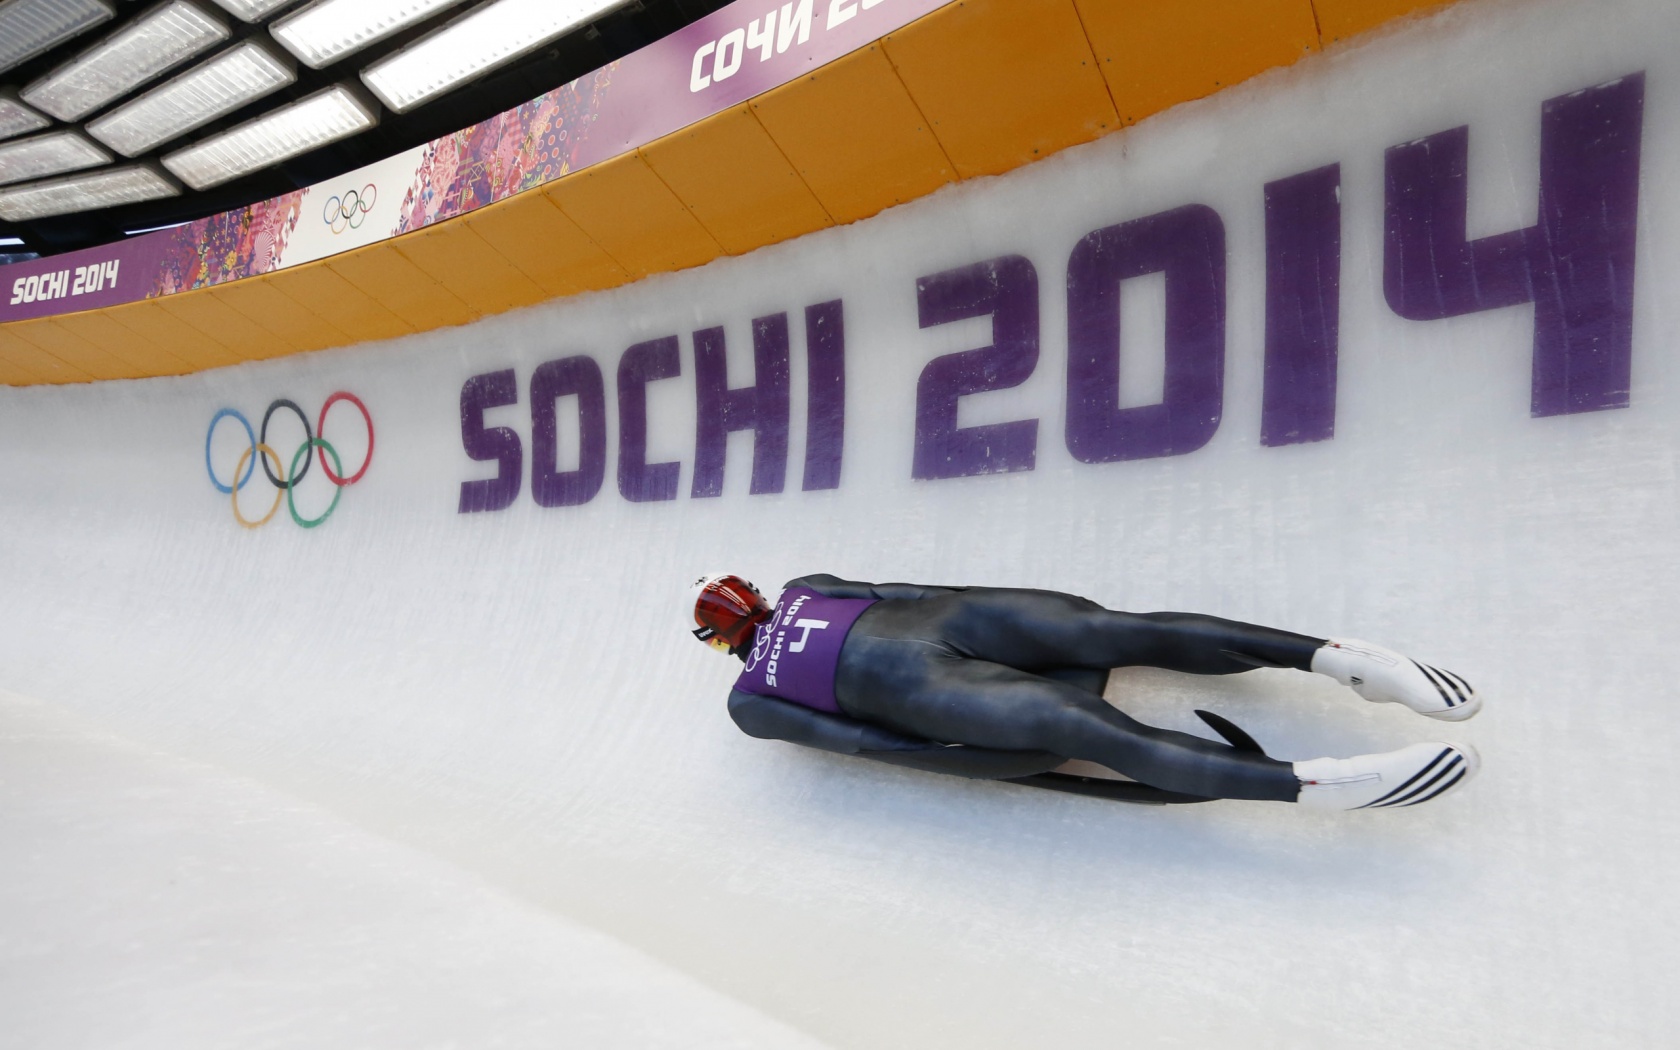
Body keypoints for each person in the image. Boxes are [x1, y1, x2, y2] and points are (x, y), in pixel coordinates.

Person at [688, 574, 1481, 810]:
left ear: (721, 642)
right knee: (1114, 635)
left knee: (1102, 723)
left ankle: (1305, 784)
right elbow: (910, 589)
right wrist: (1038, 603)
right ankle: (1330, 657)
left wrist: (987, 766)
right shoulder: (803, 590)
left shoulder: (750, 702)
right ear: (752, 596)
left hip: (939, 684)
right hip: (969, 623)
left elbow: (870, 744)